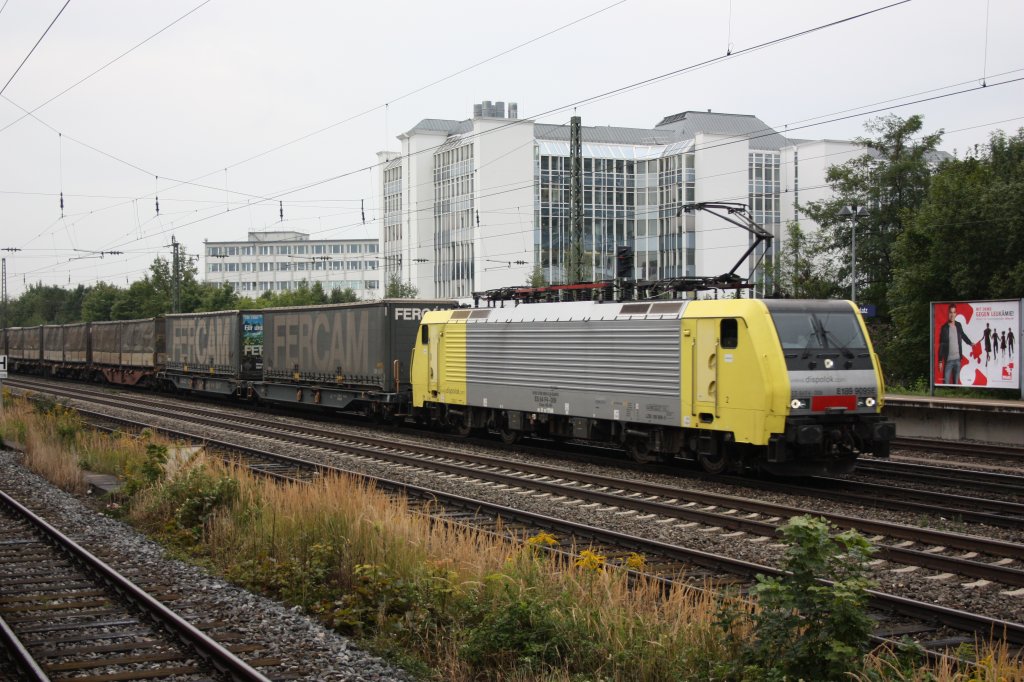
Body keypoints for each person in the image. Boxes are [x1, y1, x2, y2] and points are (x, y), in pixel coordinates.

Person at [937, 303, 973, 385]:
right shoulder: (944, 328)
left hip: (957, 360)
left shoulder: (958, 325)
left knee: (956, 383)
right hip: (948, 360)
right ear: (948, 313)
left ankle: (955, 392)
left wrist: (970, 343)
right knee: (946, 382)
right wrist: (940, 361)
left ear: (956, 314)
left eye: (954, 312)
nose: (952, 315)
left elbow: (963, 335)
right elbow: (942, 344)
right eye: (950, 312)